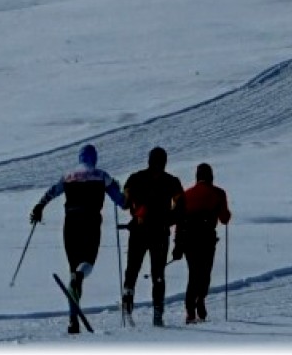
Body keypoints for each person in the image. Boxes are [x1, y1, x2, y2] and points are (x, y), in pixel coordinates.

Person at [29, 143, 125, 334]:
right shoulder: (101, 175)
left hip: (70, 224)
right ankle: (79, 277)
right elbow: (121, 202)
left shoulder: (68, 176)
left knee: (73, 270)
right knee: (87, 262)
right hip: (90, 222)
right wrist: (121, 192)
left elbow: (52, 192)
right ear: (94, 158)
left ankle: (73, 318)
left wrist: (39, 207)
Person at [122, 146, 184, 326]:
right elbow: (181, 206)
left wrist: (136, 211)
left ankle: (128, 305)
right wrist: (168, 220)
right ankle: (157, 312)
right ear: (164, 162)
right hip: (159, 233)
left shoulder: (135, 178)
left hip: (138, 231)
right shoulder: (171, 181)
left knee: (132, 269)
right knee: (158, 273)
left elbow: (125, 203)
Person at [173, 163, 232, 324]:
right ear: (211, 176)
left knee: (193, 273)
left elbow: (179, 221)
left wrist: (177, 245)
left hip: (188, 240)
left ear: (197, 177)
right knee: (205, 272)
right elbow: (224, 218)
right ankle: (201, 299)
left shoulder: (185, 195)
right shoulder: (219, 193)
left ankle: (190, 311)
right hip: (207, 239)